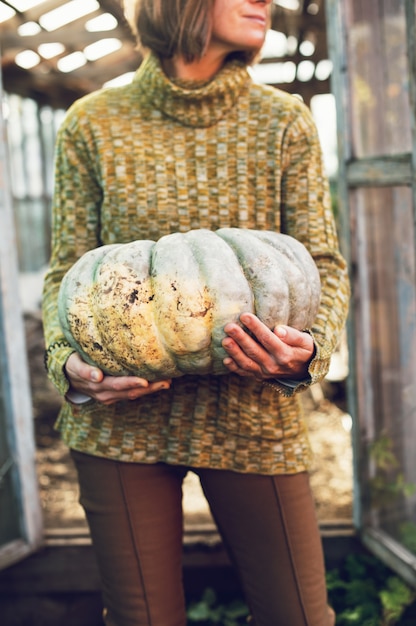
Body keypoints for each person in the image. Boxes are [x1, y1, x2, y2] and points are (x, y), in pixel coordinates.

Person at [42, 1, 350, 624]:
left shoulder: (284, 122)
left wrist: (307, 352)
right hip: (120, 424)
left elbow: (325, 263)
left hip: (254, 411)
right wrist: (68, 360)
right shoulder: (92, 124)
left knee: (299, 615)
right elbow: (64, 270)